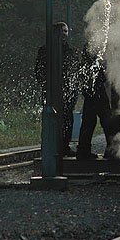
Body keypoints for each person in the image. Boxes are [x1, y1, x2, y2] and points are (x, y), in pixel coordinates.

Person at [34, 21, 80, 157]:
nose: (64, 34)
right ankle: (48, 146)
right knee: (51, 119)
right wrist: (46, 85)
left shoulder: (71, 51)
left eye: (66, 31)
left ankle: (64, 146)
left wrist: (73, 88)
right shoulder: (45, 50)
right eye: (62, 31)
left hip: (68, 91)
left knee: (67, 119)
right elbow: (39, 70)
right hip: (51, 92)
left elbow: (76, 70)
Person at [75, 44, 117, 160]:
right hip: (96, 88)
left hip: (90, 89)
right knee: (106, 119)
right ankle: (111, 150)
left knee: (89, 121)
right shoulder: (97, 48)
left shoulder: (90, 49)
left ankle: (83, 151)